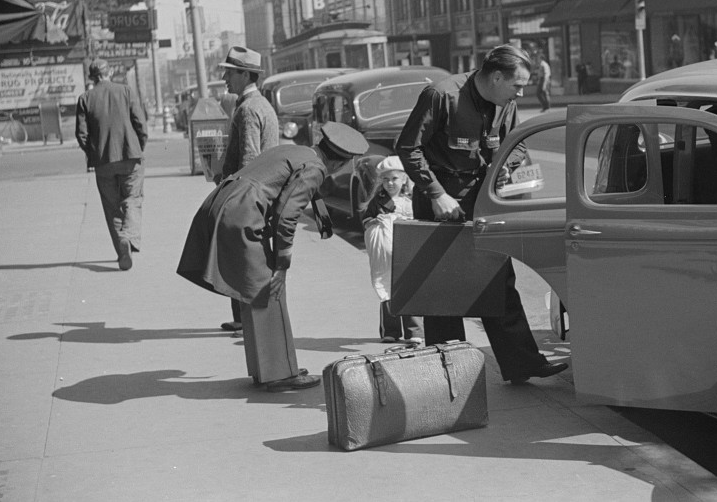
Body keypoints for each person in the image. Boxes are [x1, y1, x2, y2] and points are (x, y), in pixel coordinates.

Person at [395, 44, 568, 384]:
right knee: (443, 289)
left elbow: (514, 144)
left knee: (498, 277)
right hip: (440, 198)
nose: (521, 92)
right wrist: (436, 194)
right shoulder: (442, 95)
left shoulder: (507, 103)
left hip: (482, 197)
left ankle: (522, 363)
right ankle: (451, 373)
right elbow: (408, 147)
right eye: (516, 85)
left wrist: (510, 169)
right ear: (496, 77)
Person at [176, 121, 368, 392]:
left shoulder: (298, 151)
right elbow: (287, 216)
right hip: (241, 211)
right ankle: (280, 374)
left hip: (224, 203)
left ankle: (265, 370)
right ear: (340, 162)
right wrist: (282, 263)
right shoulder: (317, 167)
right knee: (269, 289)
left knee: (253, 289)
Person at [217, 45, 280, 333]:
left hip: (250, 195)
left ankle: (247, 319)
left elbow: (250, 159)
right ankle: (245, 317)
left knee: (241, 256)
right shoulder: (260, 105)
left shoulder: (248, 109)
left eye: (230, 73)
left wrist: (236, 196)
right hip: (263, 193)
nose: (225, 78)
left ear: (245, 74)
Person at [75, 59, 147, 271]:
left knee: (111, 206)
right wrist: (138, 146)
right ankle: (128, 237)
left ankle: (121, 250)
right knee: (133, 198)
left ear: (91, 77)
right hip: (130, 156)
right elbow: (140, 124)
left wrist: (93, 154)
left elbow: (82, 134)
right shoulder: (125, 91)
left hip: (103, 162)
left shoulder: (85, 98)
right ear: (110, 72)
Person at [361, 155, 424, 344]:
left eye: (394, 179)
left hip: (406, 249)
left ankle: (415, 332)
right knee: (386, 287)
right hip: (386, 253)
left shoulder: (412, 199)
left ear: (404, 178)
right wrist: (374, 221)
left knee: (409, 287)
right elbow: (366, 221)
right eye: (386, 179)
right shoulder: (378, 201)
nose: (390, 183)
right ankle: (391, 330)